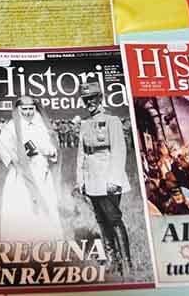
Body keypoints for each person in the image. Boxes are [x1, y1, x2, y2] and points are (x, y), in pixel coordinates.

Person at [76, 81, 133, 276]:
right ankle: (112, 260)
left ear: (100, 98)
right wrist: (80, 180)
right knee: (101, 220)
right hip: (92, 179)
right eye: (86, 99)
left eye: (92, 98)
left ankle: (126, 263)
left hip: (108, 178)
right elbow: (82, 154)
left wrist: (114, 180)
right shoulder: (85, 123)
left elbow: (119, 151)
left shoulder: (112, 120)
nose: (89, 102)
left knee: (114, 219)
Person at [0, 96, 63, 241]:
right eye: (24, 109)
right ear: (18, 109)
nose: (28, 112)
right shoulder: (11, 126)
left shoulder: (42, 125)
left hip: (42, 172)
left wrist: (50, 151)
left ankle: (47, 240)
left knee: (46, 203)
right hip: (21, 175)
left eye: (31, 109)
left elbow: (53, 147)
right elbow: (2, 148)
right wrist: (17, 161)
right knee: (23, 206)